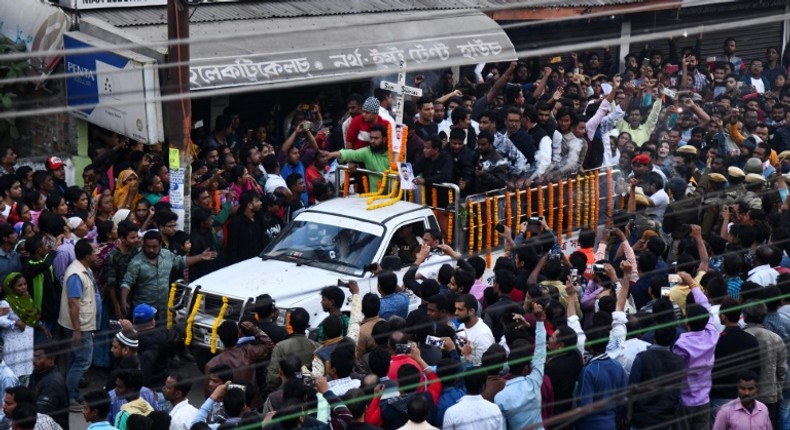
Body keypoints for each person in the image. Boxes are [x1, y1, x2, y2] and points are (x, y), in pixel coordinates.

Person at [119, 230, 216, 316]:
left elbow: (182, 261)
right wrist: (123, 301)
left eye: (154, 247)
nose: (151, 250)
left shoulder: (167, 255)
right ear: (143, 244)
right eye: (148, 247)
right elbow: (127, 283)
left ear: (160, 245)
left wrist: (200, 257)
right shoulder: (136, 262)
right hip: (144, 312)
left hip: (163, 310)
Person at [672, 271, 720, 430]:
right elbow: (705, 305)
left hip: (685, 401)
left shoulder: (682, 343)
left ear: (687, 322)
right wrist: (692, 284)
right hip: (704, 400)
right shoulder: (712, 334)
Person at [56, 239, 98, 411]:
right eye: (94, 251)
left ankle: (68, 392)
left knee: (76, 359)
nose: (97, 253)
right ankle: (70, 397)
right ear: (87, 256)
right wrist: (77, 331)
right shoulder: (76, 274)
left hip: (80, 324)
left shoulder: (83, 269)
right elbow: (73, 303)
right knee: (83, 361)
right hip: (79, 326)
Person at [494, 305, 546, 430]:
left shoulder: (500, 397)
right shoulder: (533, 383)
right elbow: (540, 353)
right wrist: (539, 321)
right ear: (525, 369)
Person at [0, 273, 37, 383]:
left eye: (25, 284)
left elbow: (33, 315)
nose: (23, 287)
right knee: (13, 374)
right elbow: (1, 320)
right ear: (11, 288)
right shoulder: (6, 302)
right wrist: (14, 322)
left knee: (26, 373)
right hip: (14, 344)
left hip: (27, 342)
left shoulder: (26, 299)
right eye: (19, 285)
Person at [454, 294, 494, 367]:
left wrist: (467, 356)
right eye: (456, 309)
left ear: (471, 311)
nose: (456, 313)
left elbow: (484, 366)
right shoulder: (462, 325)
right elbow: (461, 348)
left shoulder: (482, 335)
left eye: (460, 310)